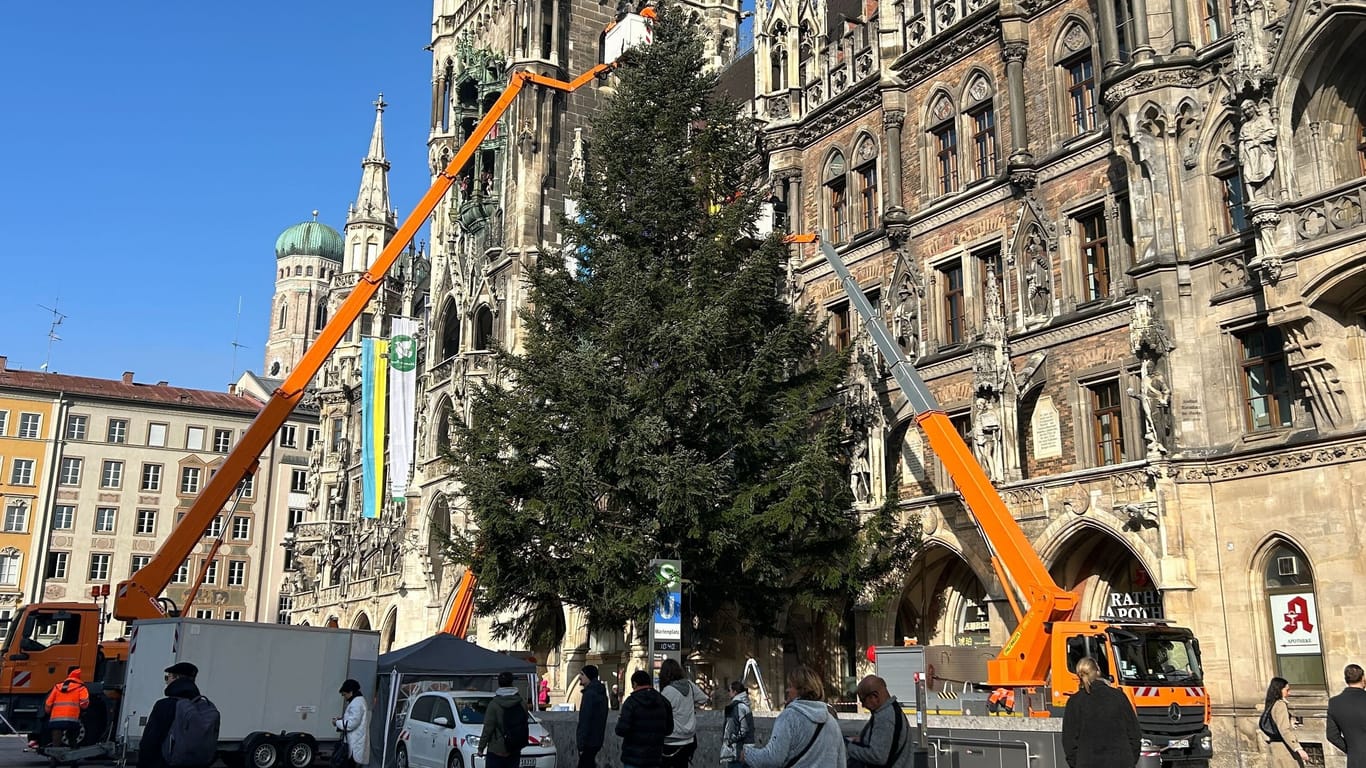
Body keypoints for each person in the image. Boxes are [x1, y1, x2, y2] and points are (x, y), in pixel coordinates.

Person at [740, 666, 846, 768]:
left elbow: (772, 758)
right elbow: (841, 762)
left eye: (790, 686)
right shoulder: (832, 722)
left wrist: (747, 754)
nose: (787, 690)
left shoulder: (789, 717)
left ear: (802, 690)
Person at [1060, 658, 1140, 768]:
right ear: (1098, 671)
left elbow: (1069, 742)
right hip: (1121, 761)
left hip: (1087, 762)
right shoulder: (1119, 697)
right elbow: (1134, 734)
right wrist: (1131, 759)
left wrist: (1077, 763)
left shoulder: (1075, 702)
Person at [138, 662, 207, 768]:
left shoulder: (165, 705)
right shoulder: (202, 706)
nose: (166, 682)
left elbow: (149, 743)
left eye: (168, 677)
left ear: (176, 678)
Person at [846, 675, 912, 768]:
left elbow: (878, 756)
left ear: (875, 696)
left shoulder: (885, 717)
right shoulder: (893, 710)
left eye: (863, 700)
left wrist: (849, 747)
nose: (863, 705)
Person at [617, 669, 673, 768]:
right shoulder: (663, 701)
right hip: (655, 756)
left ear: (634, 684)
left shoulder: (631, 702)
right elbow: (669, 729)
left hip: (633, 756)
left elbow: (621, 730)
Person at [659, 658, 708, 767]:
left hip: (671, 739)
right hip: (689, 739)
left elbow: (660, 712)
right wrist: (690, 704)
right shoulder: (690, 685)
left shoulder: (667, 691)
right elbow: (704, 699)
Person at [479, 671, 530, 768]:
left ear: (499, 684)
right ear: (512, 683)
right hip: (514, 747)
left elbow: (488, 728)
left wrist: (481, 748)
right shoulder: (521, 702)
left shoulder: (494, 704)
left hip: (496, 750)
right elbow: (525, 720)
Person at [1264, 677, 1310, 768]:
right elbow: (1284, 729)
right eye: (1287, 690)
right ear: (1279, 690)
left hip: (1276, 748)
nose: (1289, 693)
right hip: (1285, 749)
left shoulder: (1271, 704)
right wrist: (1298, 748)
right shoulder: (1280, 705)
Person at [1328, 664, 1366, 768]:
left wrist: (1351, 749)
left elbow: (1332, 735)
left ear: (1346, 680)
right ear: (1363, 678)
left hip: (1356, 760)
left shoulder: (1334, 703)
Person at [44, 666, 90, 748]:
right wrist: (83, 710)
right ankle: (72, 755)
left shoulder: (57, 687)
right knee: (72, 738)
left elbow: (48, 703)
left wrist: (48, 713)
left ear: (68, 674)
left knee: (56, 741)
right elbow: (84, 703)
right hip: (72, 720)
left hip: (56, 720)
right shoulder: (81, 688)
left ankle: (54, 758)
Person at [577, 665, 609, 768]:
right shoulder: (600, 692)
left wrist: (581, 744)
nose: (579, 677)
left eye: (582, 674)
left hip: (588, 741)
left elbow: (585, 719)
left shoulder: (590, 694)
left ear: (589, 676)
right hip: (597, 740)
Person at [333, 679, 369, 768]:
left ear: (351, 692)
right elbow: (354, 719)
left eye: (344, 694)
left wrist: (337, 722)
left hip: (354, 744)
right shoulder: (358, 701)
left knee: (350, 765)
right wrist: (342, 719)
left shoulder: (356, 703)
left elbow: (351, 724)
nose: (344, 697)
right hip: (355, 742)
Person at [719, 681, 755, 768]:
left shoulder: (734, 707)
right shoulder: (746, 705)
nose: (728, 693)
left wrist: (729, 741)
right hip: (748, 748)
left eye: (729, 690)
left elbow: (736, 729)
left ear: (735, 692)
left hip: (736, 751)